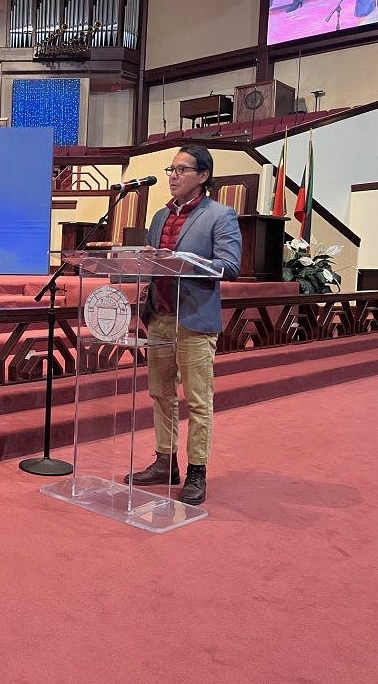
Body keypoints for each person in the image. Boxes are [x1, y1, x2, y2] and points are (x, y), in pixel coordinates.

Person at [123, 145, 242, 505]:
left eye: (180, 170)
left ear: (202, 175)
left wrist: (180, 261)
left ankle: (196, 472)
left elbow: (229, 267)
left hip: (193, 320)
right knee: (160, 395)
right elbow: (152, 260)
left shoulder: (220, 216)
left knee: (198, 401)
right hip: (159, 317)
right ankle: (165, 462)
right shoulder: (160, 216)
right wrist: (147, 260)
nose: (172, 176)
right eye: (170, 169)